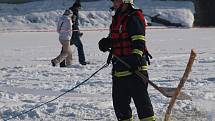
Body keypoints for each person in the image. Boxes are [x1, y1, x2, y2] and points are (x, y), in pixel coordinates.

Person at [98, 0, 155, 121]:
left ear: (125, 2)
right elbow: (115, 38)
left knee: (142, 104)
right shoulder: (118, 18)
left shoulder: (134, 17)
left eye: (116, 1)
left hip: (135, 67)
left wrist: (136, 59)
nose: (114, 4)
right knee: (120, 105)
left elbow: (139, 41)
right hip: (120, 67)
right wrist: (106, 43)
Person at [60, 2, 88, 67]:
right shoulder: (74, 12)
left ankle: (61, 63)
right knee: (80, 46)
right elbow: (73, 24)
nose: (79, 9)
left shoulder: (69, 11)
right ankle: (82, 61)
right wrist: (77, 33)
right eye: (79, 8)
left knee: (65, 47)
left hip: (70, 33)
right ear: (77, 7)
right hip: (73, 33)